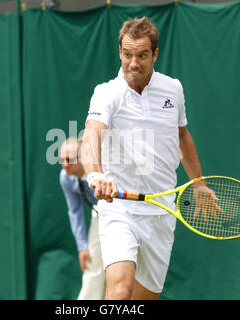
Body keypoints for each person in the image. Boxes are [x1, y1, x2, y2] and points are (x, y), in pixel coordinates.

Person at [80, 17, 218, 300]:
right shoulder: (106, 93)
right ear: (120, 52)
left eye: (142, 55)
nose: (133, 63)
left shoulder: (173, 90)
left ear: (155, 54)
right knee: (119, 290)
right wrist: (95, 174)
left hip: (162, 210)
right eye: (128, 54)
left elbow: (182, 136)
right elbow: (92, 134)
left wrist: (199, 183)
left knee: (144, 299)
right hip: (119, 208)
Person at [59, 137, 105, 300]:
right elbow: (74, 210)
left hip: (123, 211)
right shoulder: (66, 177)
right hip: (99, 214)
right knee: (92, 263)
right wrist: (82, 246)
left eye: (69, 159)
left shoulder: (103, 169)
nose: (65, 164)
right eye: (61, 159)